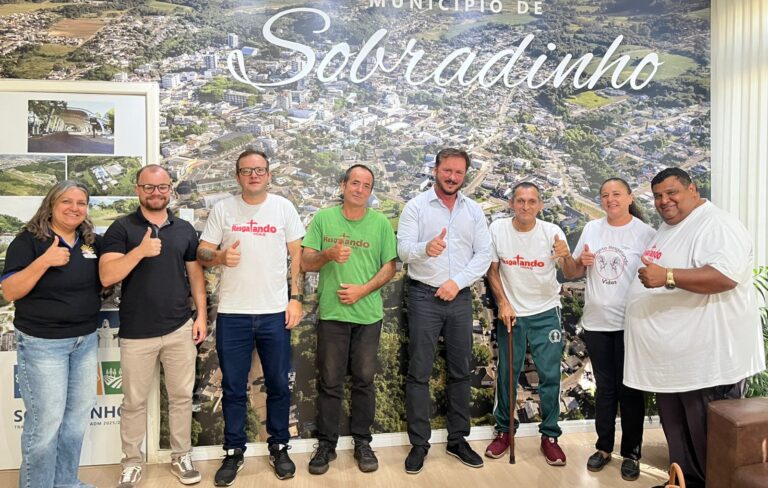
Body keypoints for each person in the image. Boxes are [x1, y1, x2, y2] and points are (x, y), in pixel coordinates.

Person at [624, 167, 765, 488]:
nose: (664, 200)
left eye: (671, 192)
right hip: (675, 363)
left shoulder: (717, 224)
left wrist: (668, 276)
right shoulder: (668, 227)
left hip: (708, 363)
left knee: (707, 442)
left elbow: (725, 276)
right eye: (658, 196)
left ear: (693, 189)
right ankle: (683, 482)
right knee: (679, 436)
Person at [197, 149, 305, 484]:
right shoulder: (223, 209)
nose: (254, 175)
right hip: (233, 314)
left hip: (274, 312)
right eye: (246, 170)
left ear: (269, 174)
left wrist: (296, 298)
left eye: (259, 170)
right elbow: (202, 252)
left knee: (278, 384)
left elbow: (297, 256)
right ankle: (233, 451)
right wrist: (219, 257)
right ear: (237, 176)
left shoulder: (283, 207)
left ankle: (279, 446)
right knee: (232, 387)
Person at [99, 165, 207, 488]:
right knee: (133, 402)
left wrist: (201, 315)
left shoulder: (184, 229)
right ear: (138, 190)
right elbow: (107, 275)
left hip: (179, 328)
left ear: (170, 189)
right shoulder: (121, 228)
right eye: (149, 187)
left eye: (162, 187)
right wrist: (140, 252)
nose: (156, 193)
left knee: (181, 397)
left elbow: (195, 276)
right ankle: (131, 462)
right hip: (136, 331)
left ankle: (181, 456)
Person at [397, 148, 492, 474]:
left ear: (464, 175)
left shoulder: (473, 211)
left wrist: (457, 282)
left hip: (460, 298)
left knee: (460, 371)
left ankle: (457, 440)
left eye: (458, 172)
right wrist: (426, 249)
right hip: (423, 296)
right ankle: (419, 444)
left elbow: (484, 254)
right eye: (447, 170)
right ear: (436, 170)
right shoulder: (416, 206)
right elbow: (403, 251)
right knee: (419, 372)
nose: (452, 177)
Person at [1, 181, 101, 488]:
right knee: (45, 424)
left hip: (85, 340)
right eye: (66, 201)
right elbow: (9, 291)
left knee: (75, 422)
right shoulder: (28, 241)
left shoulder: (90, 241)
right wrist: (44, 261)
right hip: (43, 344)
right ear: (51, 205)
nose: (74, 208)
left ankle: (66, 482)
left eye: (81, 203)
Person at [301, 164, 397, 475]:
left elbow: (390, 267)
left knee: (364, 381)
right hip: (332, 315)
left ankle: (363, 442)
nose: (359, 189)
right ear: (343, 185)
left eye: (366, 185)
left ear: (371, 192)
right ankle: (326, 444)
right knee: (330, 382)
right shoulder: (324, 219)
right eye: (355, 183)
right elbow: (305, 262)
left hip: (368, 317)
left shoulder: (380, 223)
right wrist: (327, 255)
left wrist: (361, 291)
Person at [561, 178, 655, 481]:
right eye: (605, 195)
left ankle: (631, 454)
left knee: (631, 391)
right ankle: (603, 448)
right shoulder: (592, 228)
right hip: (597, 322)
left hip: (631, 323)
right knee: (605, 389)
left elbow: (654, 275)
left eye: (616, 194)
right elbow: (573, 271)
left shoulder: (646, 233)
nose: (610, 199)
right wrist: (579, 261)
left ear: (629, 198)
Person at [484, 182, 575, 467]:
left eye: (532, 201)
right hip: (512, 313)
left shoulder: (552, 232)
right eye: (520, 201)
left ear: (540, 205)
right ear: (511, 203)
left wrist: (566, 256)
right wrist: (503, 302)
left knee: (549, 376)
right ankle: (504, 431)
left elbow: (571, 272)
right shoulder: (498, 229)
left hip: (546, 312)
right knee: (507, 374)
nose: (526, 206)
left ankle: (550, 436)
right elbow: (492, 269)